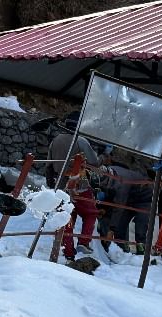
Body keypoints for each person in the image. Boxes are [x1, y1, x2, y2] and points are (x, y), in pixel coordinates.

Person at [46, 111, 112, 260]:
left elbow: (49, 166)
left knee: (67, 217)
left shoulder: (55, 140)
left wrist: (51, 184)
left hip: (60, 186)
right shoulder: (80, 140)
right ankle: (83, 242)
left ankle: (68, 253)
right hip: (79, 184)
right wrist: (104, 154)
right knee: (91, 213)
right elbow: (94, 163)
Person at [94, 165, 154, 254]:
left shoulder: (120, 184)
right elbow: (109, 194)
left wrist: (111, 230)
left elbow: (119, 207)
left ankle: (142, 253)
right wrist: (102, 208)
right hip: (129, 197)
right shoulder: (109, 172)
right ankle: (123, 251)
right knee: (120, 227)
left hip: (144, 198)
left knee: (140, 229)